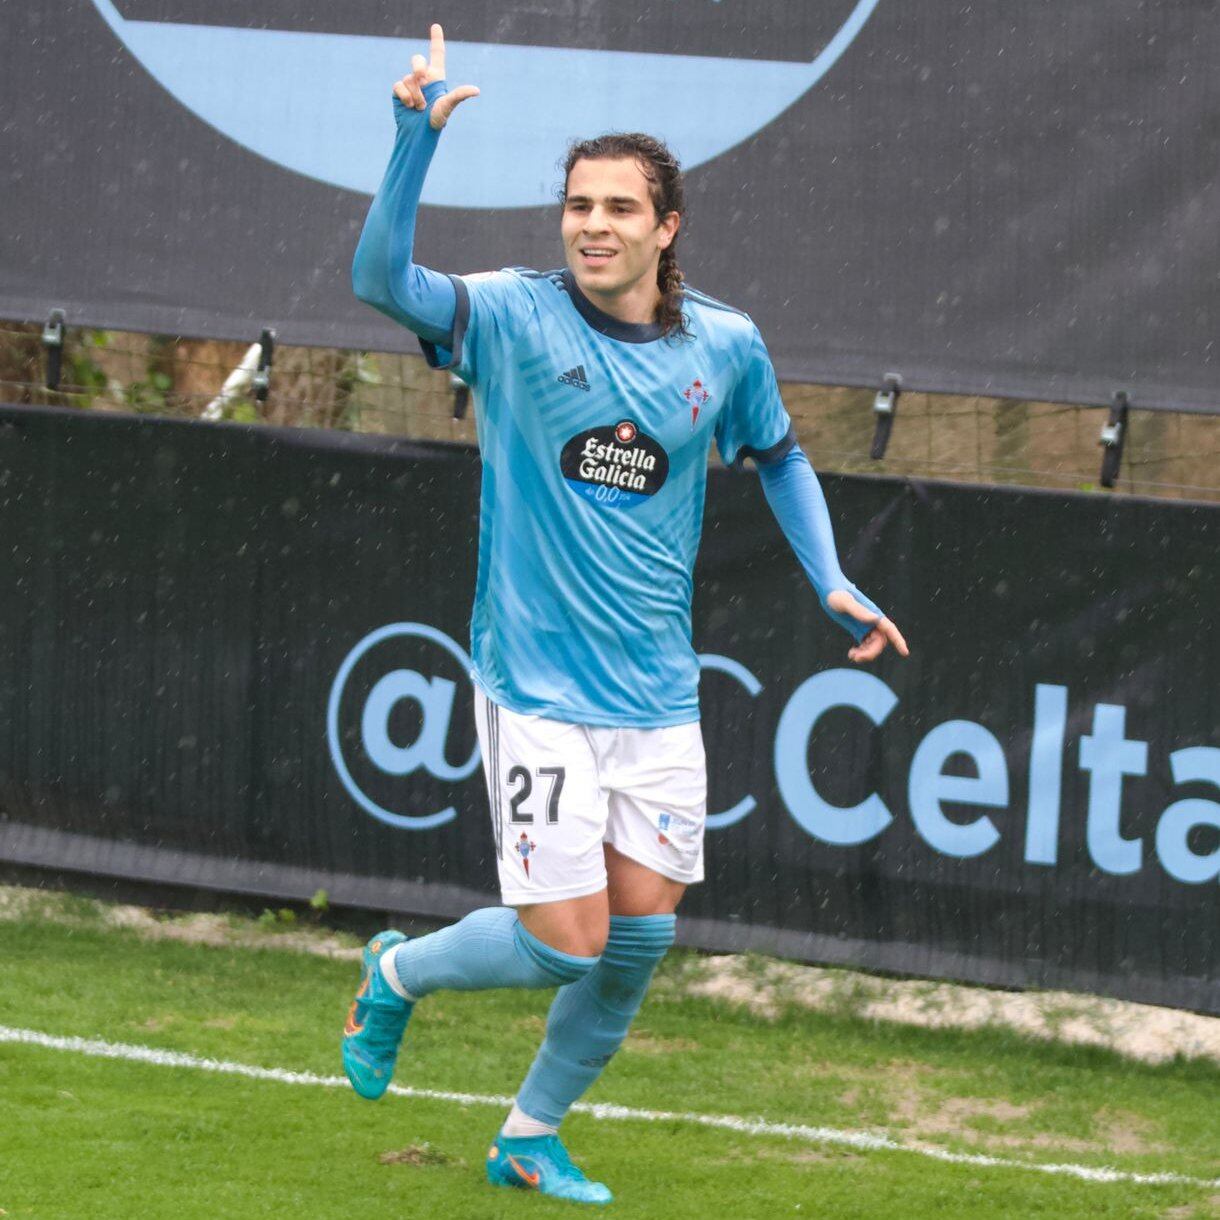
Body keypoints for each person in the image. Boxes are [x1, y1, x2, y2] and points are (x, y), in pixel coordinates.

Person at [343, 24, 909, 1206]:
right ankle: (395, 973)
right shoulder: (508, 315)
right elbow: (380, 283)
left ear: (666, 226)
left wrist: (829, 575)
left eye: (616, 205)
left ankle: (527, 1133)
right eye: (574, 203)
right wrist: (410, 143)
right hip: (535, 684)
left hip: (656, 695)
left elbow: (781, 454)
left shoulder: (726, 346)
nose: (590, 223)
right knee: (563, 940)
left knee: (639, 936)